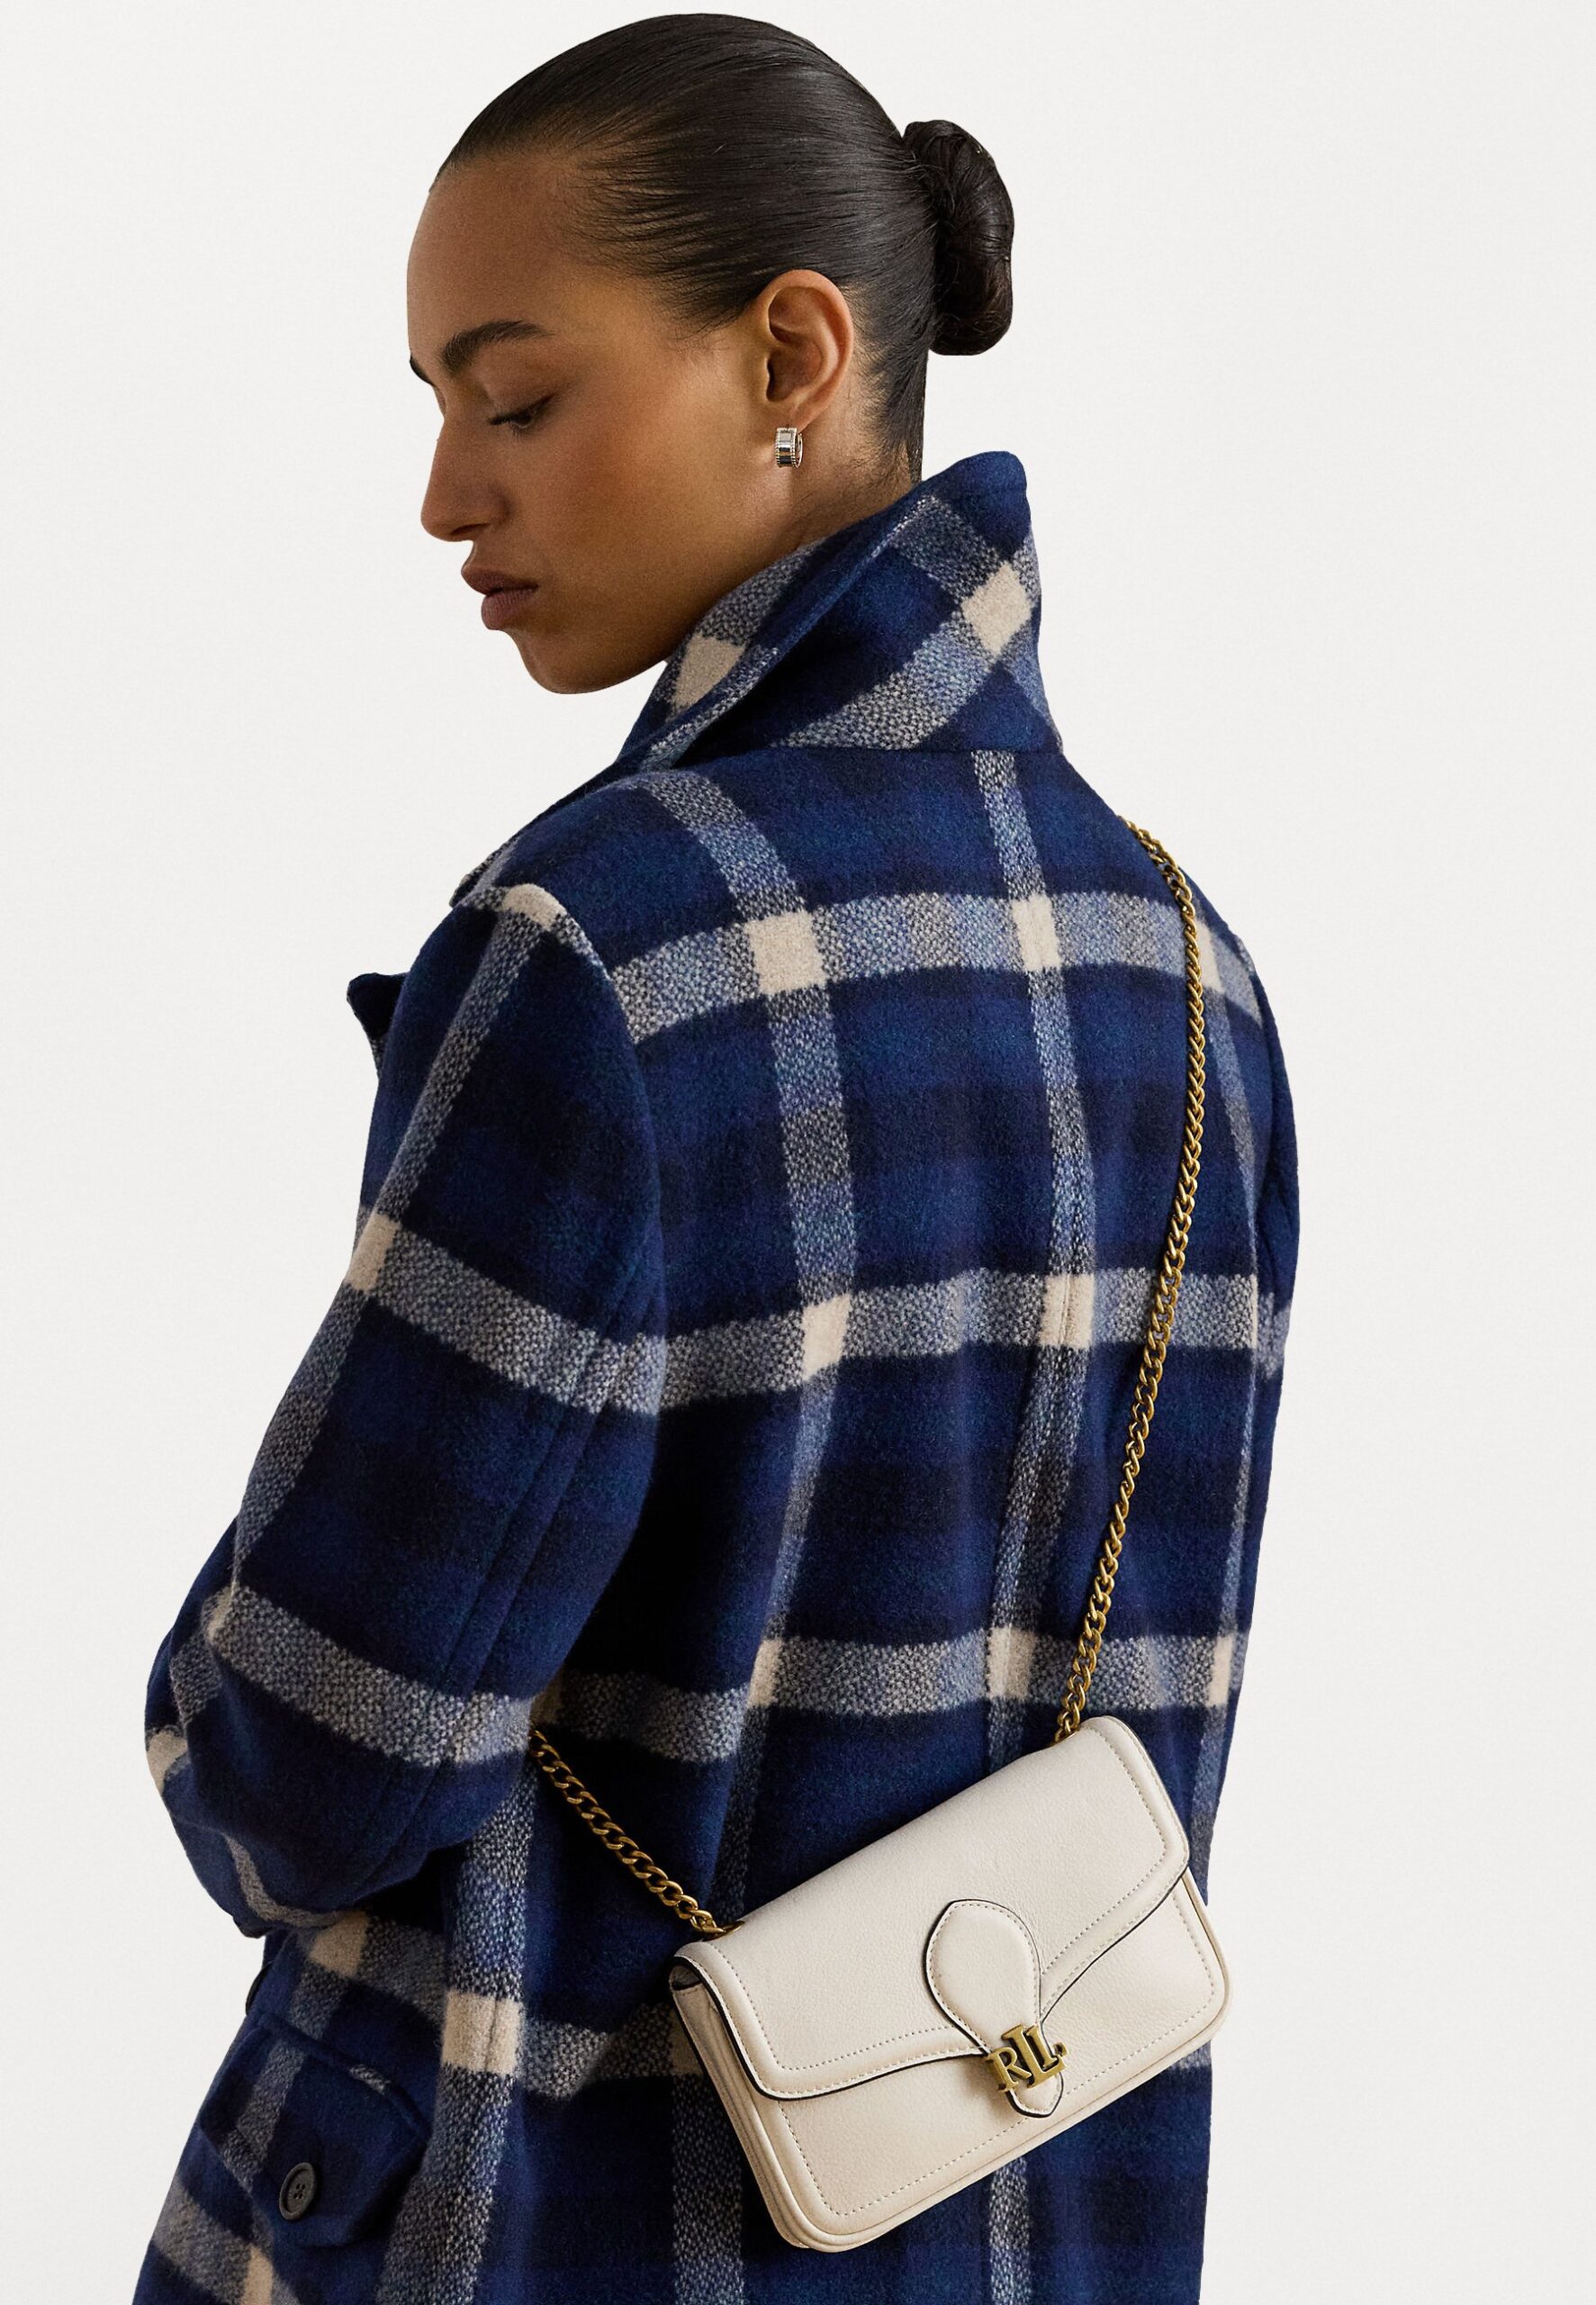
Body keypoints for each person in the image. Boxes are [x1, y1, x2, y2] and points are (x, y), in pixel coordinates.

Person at [133, 16, 1300, 2302]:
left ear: (790, 354)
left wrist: (201, 1710)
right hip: (1022, 2227)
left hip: (531, 2227)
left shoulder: (596, 951)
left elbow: (309, 1767)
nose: (447, 496)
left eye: (514, 399)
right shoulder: (1187, 966)